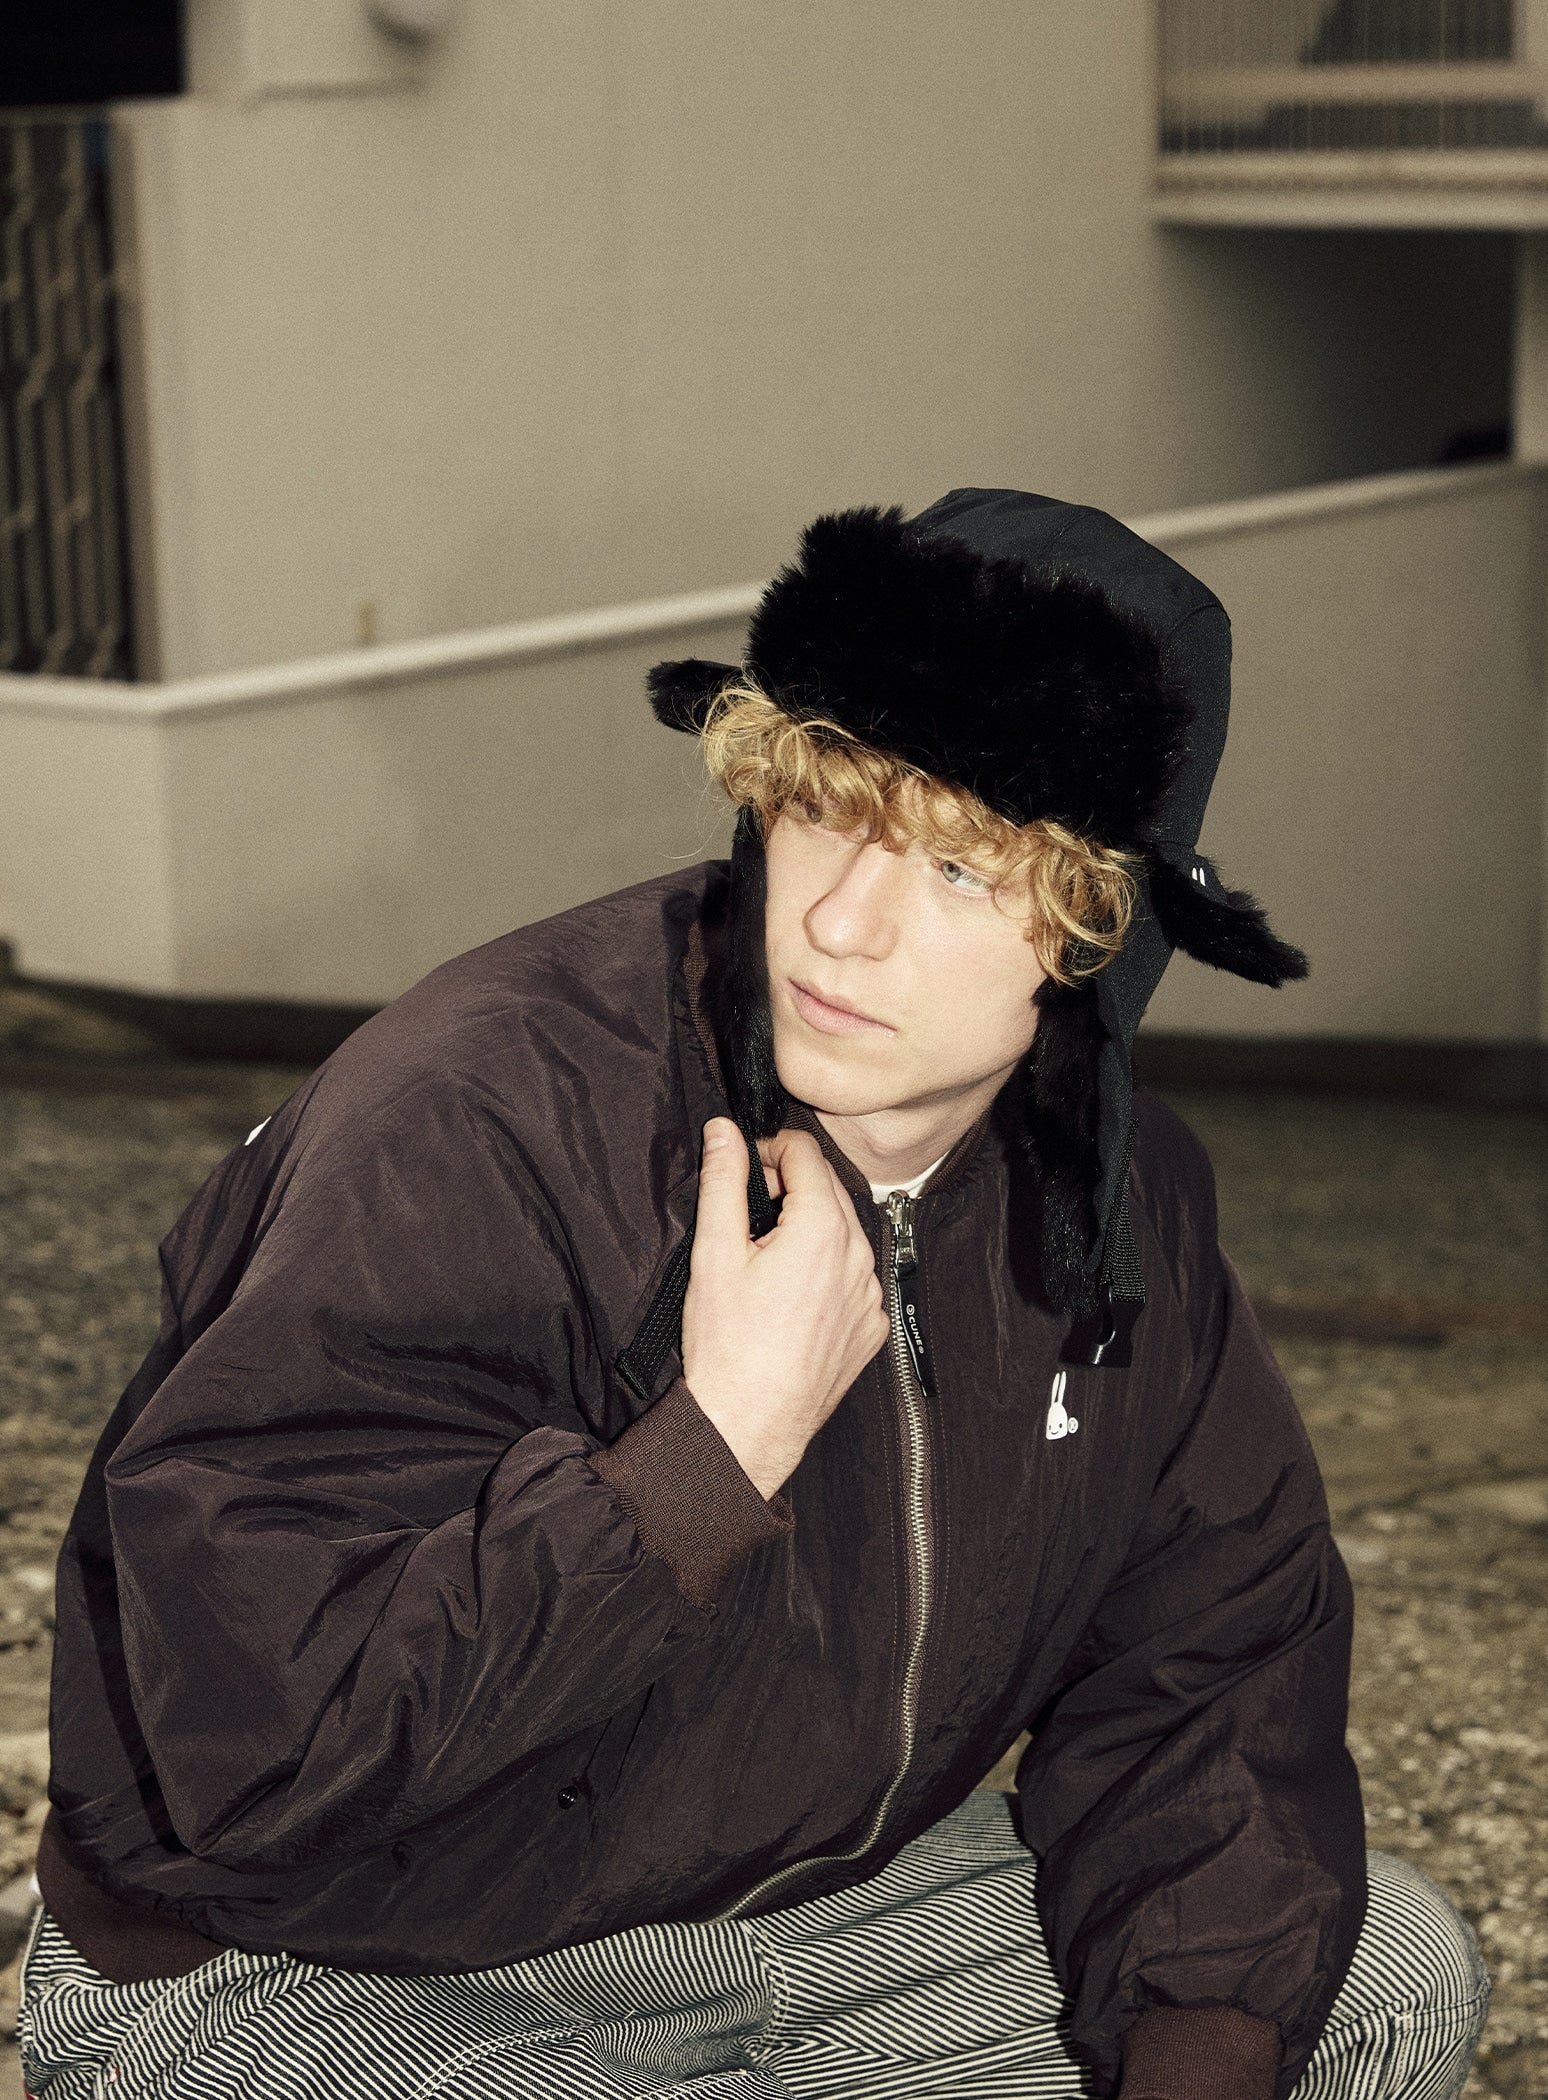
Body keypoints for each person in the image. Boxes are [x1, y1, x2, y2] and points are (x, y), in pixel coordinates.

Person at [21, 492, 1488, 2100]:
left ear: (1101, 933)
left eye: (957, 867)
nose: (841, 924)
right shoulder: (482, 1114)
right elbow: (262, 1746)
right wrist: (706, 1457)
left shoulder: (1118, 1209)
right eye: (825, 811)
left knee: (1366, 1979)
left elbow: (1206, 1678)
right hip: (305, 1950)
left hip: (783, 1922)